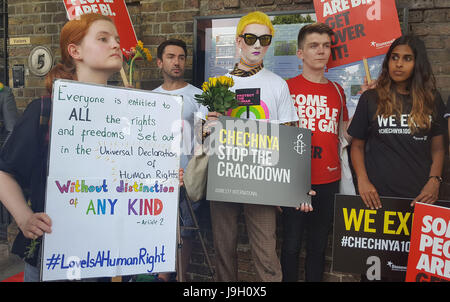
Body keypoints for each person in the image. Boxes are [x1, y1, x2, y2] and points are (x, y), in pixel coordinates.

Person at [0, 13, 124, 282]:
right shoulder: (46, 110)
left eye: (116, 39)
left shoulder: (127, 115)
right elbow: (4, 173)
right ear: (74, 50)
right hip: (54, 258)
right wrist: (23, 218)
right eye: (103, 38)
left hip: (107, 255)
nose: (116, 44)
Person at [207, 11, 300, 282]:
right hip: (223, 175)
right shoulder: (216, 84)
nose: (257, 45)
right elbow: (201, 136)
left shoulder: (278, 85)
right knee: (223, 249)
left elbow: (290, 135)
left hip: (264, 179)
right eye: (251, 38)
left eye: (265, 39)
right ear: (238, 41)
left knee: (266, 254)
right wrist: (207, 126)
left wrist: (287, 189)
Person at [281, 23, 350, 282]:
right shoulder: (286, 88)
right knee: (290, 244)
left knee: (318, 246)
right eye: (313, 46)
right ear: (300, 53)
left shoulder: (337, 90)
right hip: (294, 179)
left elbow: (344, 135)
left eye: (326, 46)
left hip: (328, 178)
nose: (321, 51)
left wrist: (366, 101)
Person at [349, 35, 445, 214]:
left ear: (418, 64)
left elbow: (438, 148)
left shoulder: (432, 99)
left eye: (407, 58)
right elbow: (357, 146)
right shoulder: (370, 98)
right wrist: (362, 180)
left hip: (420, 195)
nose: (399, 64)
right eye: (394, 57)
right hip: (376, 196)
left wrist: (434, 181)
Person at [153, 38, 208, 282]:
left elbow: (202, 141)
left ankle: (177, 277)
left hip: (185, 177)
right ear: (159, 62)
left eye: (181, 58)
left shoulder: (198, 96)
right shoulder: (151, 97)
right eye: (171, 57)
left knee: (185, 231)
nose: (177, 62)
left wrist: (191, 172)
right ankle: (161, 275)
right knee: (157, 227)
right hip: (156, 176)